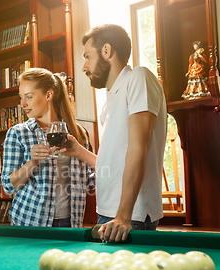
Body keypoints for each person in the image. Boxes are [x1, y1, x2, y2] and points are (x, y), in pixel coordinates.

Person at [63, 24, 167, 242]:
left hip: (131, 216)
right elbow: (114, 162)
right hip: (108, 213)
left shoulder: (139, 77)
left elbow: (138, 149)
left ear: (107, 51)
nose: (84, 66)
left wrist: (123, 216)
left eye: (87, 56)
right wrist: (79, 152)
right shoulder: (109, 100)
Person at [1, 68, 95, 228]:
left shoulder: (78, 132)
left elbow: (91, 182)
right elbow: (9, 186)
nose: (23, 104)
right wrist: (32, 162)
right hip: (29, 223)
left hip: (70, 223)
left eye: (29, 97)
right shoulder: (18, 133)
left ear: (49, 95)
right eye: (21, 97)